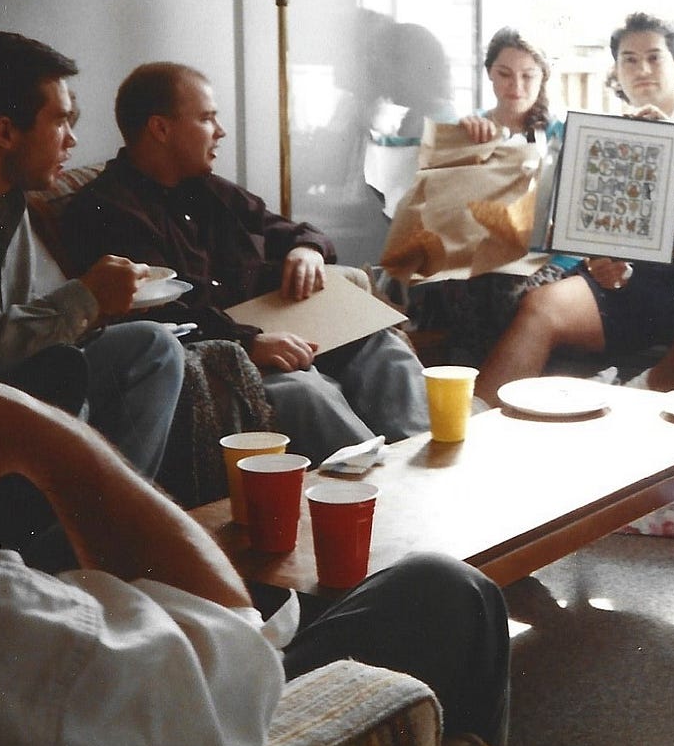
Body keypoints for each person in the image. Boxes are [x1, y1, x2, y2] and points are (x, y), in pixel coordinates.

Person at [0, 364, 511, 746]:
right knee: (448, 589)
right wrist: (49, 440)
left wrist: (305, 251)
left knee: (370, 359)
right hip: (227, 712)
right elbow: (232, 661)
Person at [61, 62, 429, 462]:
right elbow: (160, 316)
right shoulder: (107, 211)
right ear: (161, 129)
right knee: (305, 392)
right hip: (227, 349)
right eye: (206, 118)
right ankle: (384, 487)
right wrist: (248, 343)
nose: (220, 131)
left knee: (382, 349)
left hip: (280, 323)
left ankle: (429, 466)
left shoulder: (208, 189)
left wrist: (307, 249)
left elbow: (288, 229)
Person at [0, 31, 185, 566]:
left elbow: (42, 315)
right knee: (68, 371)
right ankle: (73, 557)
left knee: (151, 349)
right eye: (60, 121)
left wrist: (96, 307)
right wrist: (84, 301)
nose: (72, 140)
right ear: (6, 131)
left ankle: (106, 536)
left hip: (11, 395)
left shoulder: (11, 206)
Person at [475, 12, 674, 404]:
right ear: (617, 71)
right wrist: (602, 258)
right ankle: (474, 422)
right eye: (629, 59)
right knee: (541, 306)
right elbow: (601, 227)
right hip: (638, 276)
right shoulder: (611, 129)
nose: (642, 68)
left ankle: (638, 396)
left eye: (654, 57)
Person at [410, 27, 576, 364]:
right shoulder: (469, 128)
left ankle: (491, 385)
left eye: (528, 76)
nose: (516, 87)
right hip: (479, 252)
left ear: (542, 78)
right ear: (489, 74)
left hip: (546, 256)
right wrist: (466, 148)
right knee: (457, 282)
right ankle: (466, 378)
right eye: (505, 74)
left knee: (506, 289)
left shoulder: (561, 135)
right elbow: (439, 206)